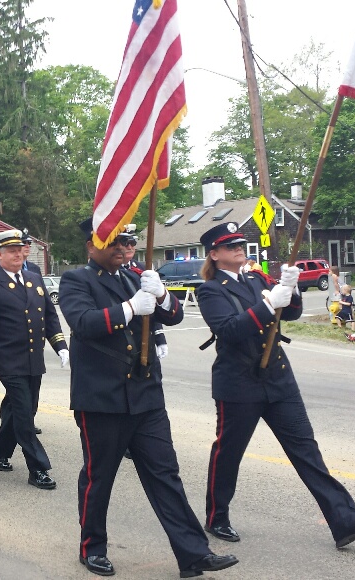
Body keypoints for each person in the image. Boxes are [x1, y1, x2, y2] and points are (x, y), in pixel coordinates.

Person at [58, 218, 237, 578]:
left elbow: (172, 316)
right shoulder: (77, 280)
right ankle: (92, 547)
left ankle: (193, 554)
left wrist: (161, 294)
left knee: (165, 475)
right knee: (99, 476)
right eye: (115, 243)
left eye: (128, 242)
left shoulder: (134, 276)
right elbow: (83, 322)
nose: (124, 248)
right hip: (103, 399)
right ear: (92, 246)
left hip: (145, 395)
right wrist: (128, 309)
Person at [195, 222, 355, 549]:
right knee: (228, 453)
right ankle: (217, 516)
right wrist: (268, 304)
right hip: (239, 384)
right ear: (215, 254)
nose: (239, 247)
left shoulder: (256, 279)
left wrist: (291, 289)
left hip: (278, 379)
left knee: (306, 451)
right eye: (230, 246)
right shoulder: (211, 290)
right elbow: (228, 330)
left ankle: (345, 521)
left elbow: (291, 313)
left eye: (241, 243)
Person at [0, 230, 67, 491]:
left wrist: (60, 345)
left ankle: (0, 449)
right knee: (24, 414)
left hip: (33, 359)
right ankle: (38, 469)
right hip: (8, 361)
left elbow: (49, 316)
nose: (17, 253)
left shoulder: (34, 279)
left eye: (20, 249)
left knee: (23, 409)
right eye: (10, 250)